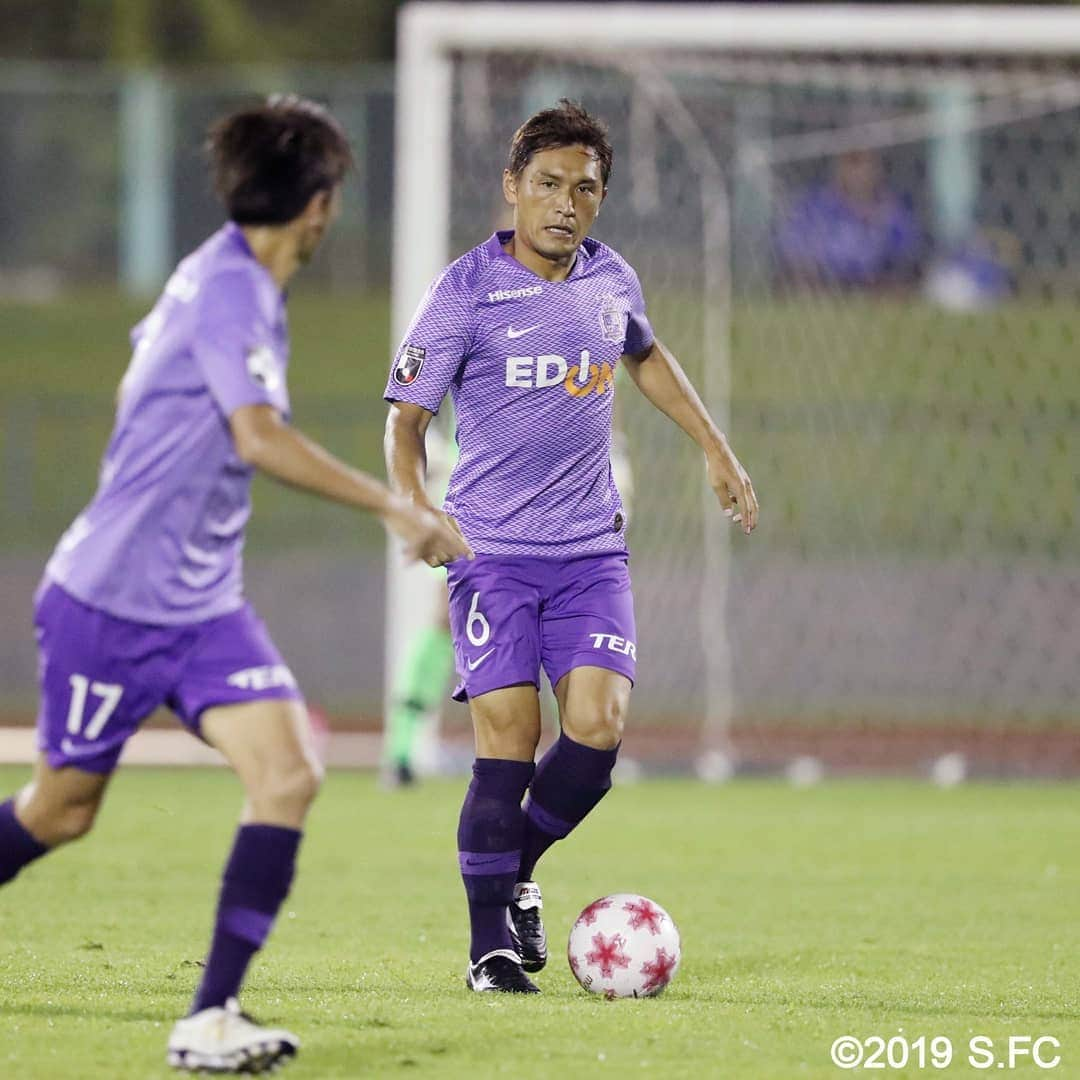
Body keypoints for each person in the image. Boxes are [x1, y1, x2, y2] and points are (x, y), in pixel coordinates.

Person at [0, 95, 470, 1073]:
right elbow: (255, 437)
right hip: (110, 603)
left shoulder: (221, 277)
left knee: (288, 773)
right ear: (321, 204)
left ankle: (211, 1017)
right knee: (60, 811)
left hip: (200, 605)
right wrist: (395, 506)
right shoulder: (232, 294)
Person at [383, 100, 757, 993]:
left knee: (596, 736)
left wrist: (716, 447)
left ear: (600, 200)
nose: (565, 203)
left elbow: (648, 357)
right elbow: (405, 421)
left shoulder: (610, 278)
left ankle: (512, 872)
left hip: (591, 553)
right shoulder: (463, 292)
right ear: (512, 188)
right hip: (494, 556)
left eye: (584, 189)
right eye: (548, 184)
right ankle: (490, 951)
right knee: (508, 745)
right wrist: (413, 506)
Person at [775, 148, 921, 290]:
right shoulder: (813, 206)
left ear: (878, 169)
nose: (857, 173)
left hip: (875, 287)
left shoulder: (892, 211)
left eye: (865, 163)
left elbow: (908, 255)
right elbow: (791, 247)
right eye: (851, 162)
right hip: (821, 285)